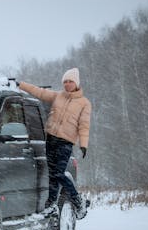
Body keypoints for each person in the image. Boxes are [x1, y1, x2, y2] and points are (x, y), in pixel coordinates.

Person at [16, 68, 91, 219]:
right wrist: (21, 84)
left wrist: (83, 144)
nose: (67, 84)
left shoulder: (84, 103)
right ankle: (51, 205)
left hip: (66, 142)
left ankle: (78, 201)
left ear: (76, 83)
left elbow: (84, 125)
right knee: (52, 175)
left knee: (58, 173)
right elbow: (39, 92)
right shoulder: (58, 96)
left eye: (70, 81)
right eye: (65, 82)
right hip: (51, 139)